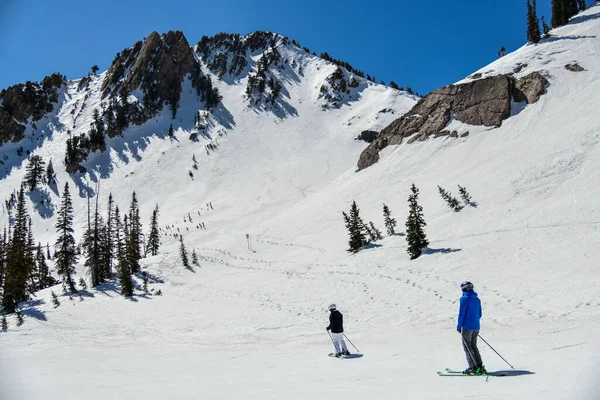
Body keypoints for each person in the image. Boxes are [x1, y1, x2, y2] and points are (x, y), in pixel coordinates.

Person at [456, 281, 486, 375]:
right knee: (474, 346)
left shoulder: (464, 299)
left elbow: (462, 314)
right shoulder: (477, 299)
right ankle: (479, 366)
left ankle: (473, 367)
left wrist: (459, 326)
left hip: (467, 327)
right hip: (476, 326)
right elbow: (479, 314)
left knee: (467, 347)